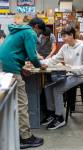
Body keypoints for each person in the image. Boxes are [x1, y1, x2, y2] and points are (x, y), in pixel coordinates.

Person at [0, 17, 46, 149]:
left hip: (5, 65)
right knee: (22, 102)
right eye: (39, 32)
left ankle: (17, 133)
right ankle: (26, 137)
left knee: (12, 102)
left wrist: (21, 69)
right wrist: (40, 65)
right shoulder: (30, 32)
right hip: (10, 66)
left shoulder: (18, 30)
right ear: (36, 26)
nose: (38, 35)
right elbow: (32, 56)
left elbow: (12, 51)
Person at [40, 25, 83, 130]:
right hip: (69, 75)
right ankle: (52, 113)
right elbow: (54, 59)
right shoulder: (65, 47)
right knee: (48, 87)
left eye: (64, 36)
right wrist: (40, 63)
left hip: (80, 76)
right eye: (62, 36)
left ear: (71, 35)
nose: (63, 39)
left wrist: (70, 68)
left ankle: (60, 118)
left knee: (57, 90)